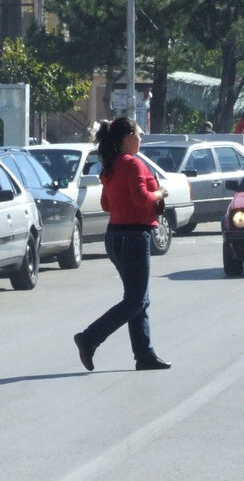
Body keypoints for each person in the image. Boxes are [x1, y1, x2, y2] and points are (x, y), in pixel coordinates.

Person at [73, 117, 172, 372]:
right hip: (133, 238)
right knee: (136, 301)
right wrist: (159, 194)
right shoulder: (132, 164)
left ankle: (144, 355)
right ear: (128, 136)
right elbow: (142, 199)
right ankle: (90, 338)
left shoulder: (112, 165)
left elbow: (106, 204)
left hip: (115, 237)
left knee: (139, 299)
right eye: (139, 134)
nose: (141, 138)